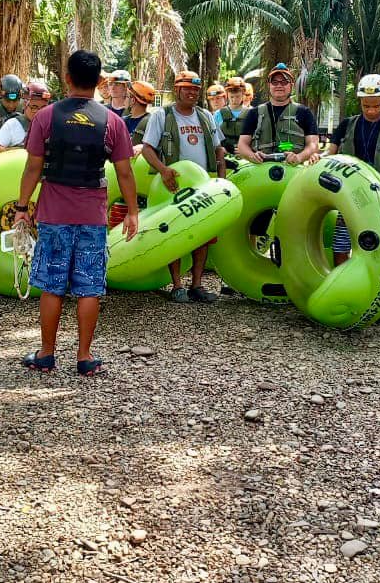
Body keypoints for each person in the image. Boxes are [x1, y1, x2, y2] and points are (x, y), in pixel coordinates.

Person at [15, 50, 139, 377]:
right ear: (100, 82)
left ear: (66, 78)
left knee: (53, 285)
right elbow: (125, 173)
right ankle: (84, 357)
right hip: (92, 215)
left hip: (54, 212)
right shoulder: (112, 121)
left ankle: (46, 354)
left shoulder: (46, 117)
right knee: (89, 286)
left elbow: (32, 167)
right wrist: (132, 211)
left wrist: (22, 207)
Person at [141, 70, 226, 302]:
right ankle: (177, 284)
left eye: (196, 90)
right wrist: (163, 169)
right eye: (187, 88)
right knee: (174, 233)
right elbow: (147, 148)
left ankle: (197, 285)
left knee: (203, 234)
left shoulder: (206, 116)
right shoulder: (162, 115)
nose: (192, 93)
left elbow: (219, 150)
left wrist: (221, 178)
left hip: (204, 186)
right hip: (173, 186)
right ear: (177, 89)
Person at [327, 74, 380, 263]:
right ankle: (342, 279)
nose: (371, 111)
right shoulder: (347, 124)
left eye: (376, 106)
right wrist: (317, 157)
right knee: (342, 240)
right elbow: (330, 153)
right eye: (366, 106)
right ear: (360, 101)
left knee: (377, 241)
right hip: (349, 193)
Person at [236, 63, 321, 165]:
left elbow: (313, 144)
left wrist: (299, 157)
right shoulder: (254, 113)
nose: (279, 85)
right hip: (260, 169)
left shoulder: (304, 112)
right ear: (269, 85)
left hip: (293, 169)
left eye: (284, 82)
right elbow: (242, 144)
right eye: (274, 82)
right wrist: (252, 156)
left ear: (291, 85)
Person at [0, 80, 52, 152]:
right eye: (34, 107)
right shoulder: (12, 124)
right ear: (25, 105)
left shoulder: (51, 125)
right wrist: (20, 151)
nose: (39, 112)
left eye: (43, 108)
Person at [125, 80, 156, 150]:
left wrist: (142, 147)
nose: (124, 99)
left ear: (132, 100)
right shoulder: (153, 121)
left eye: (126, 96)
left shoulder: (150, 122)